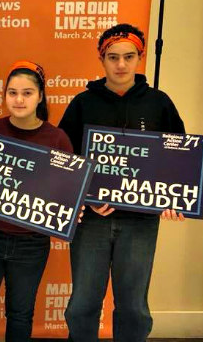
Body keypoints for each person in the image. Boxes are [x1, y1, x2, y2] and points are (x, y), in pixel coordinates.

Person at [58, 23, 186, 341]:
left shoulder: (159, 103)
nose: (121, 65)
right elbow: (62, 160)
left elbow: (181, 156)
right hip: (92, 222)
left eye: (129, 57)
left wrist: (176, 198)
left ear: (140, 58)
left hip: (140, 222)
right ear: (102, 59)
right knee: (83, 304)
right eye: (113, 57)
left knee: (133, 308)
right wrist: (85, 197)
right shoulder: (82, 104)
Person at [0, 61, 73, 341]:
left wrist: (70, 210)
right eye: (12, 93)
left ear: (40, 96)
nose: (19, 99)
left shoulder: (57, 138)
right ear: (4, 96)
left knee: (21, 315)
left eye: (27, 93)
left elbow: (65, 191)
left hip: (31, 243)